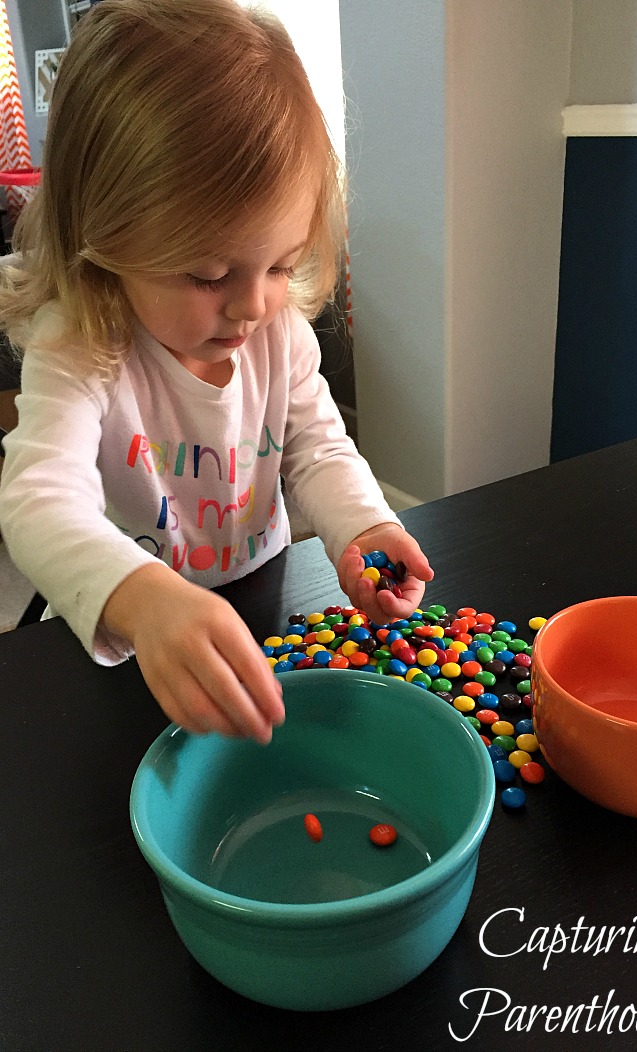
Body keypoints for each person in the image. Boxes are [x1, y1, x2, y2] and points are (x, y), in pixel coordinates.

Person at [0, 0, 433, 744]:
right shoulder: (79, 342)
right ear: (104, 238)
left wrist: (364, 524)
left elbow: (318, 449)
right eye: (206, 274)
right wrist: (142, 599)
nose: (253, 306)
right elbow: (38, 499)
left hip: (259, 588)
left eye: (281, 265)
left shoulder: (278, 331)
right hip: (130, 621)